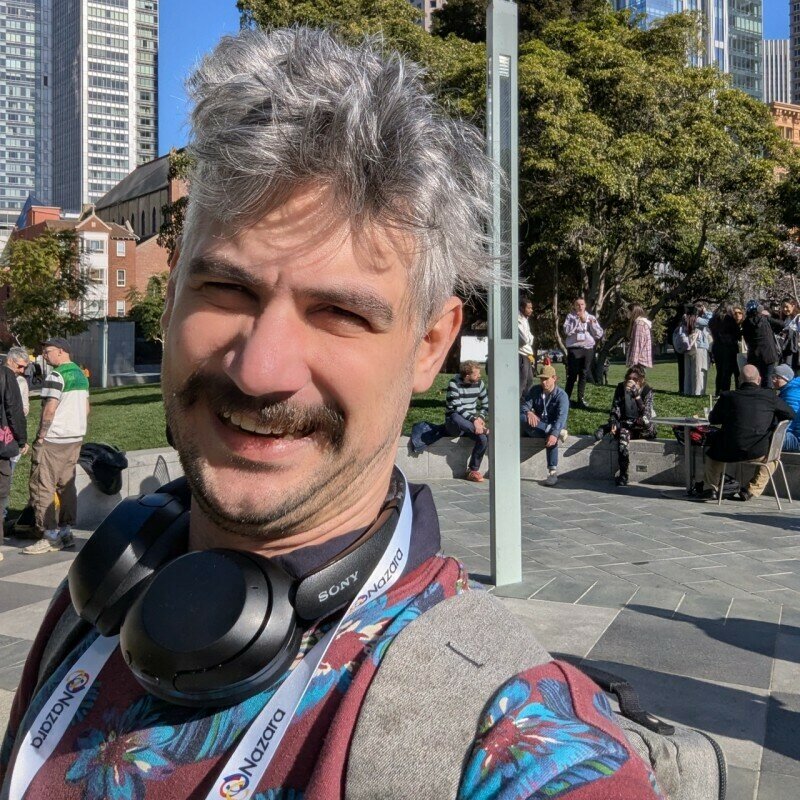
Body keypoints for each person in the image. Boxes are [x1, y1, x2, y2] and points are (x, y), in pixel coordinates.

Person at [0, 30, 664, 799]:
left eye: (339, 313)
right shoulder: (99, 603)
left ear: (431, 344)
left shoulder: (514, 746)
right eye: (228, 290)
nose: (260, 370)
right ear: (173, 292)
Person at [21, 337, 89, 555]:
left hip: (54, 439)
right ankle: (66, 532)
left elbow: (50, 409)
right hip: (75, 437)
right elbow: (87, 408)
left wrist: (41, 436)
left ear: (61, 351)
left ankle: (49, 536)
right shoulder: (80, 375)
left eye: (48, 351)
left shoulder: (56, 375)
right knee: (66, 486)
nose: (45, 355)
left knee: (42, 486)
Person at [696, 364, 794, 501]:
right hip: (758, 451)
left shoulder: (728, 396)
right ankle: (751, 490)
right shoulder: (769, 396)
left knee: (713, 457)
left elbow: (713, 419)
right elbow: (790, 414)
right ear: (759, 379)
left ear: (739, 380)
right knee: (773, 459)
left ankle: (710, 489)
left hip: (728, 450)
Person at [595, 366, 656, 486]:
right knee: (623, 437)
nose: (631, 381)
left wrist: (637, 396)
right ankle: (623, 474)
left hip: (643, 427)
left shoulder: (647, 390)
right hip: (626, 424)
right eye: (629, 378)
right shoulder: (621, 388)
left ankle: (605, 428)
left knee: (637, 423)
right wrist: (613, 421)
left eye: (635, 379)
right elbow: (615, 408)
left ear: (641, 380)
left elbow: (646, 415)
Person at [520, 364, 569, 486]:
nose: (543, 382)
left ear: (554, 378)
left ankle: (552, 472)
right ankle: (553, 431)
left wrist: (554, 433)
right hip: (539, 425)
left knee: (552, 436)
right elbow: (524, 406)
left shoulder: (561, 395)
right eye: (541, 379)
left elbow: (561, 418)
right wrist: (529, 412)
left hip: (555, 425)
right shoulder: (535, 390)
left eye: (546, 379)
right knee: (522, 417)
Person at [0, 349, 28, 551]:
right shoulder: (9, 377)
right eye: (20, 366)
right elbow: (14, 410)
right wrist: (21, 439)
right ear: (10, 361)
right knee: (1, 493)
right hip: (3, 444)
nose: (22, 371)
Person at [444, 361, 489, 482]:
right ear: (467, 376)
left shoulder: (479, 383)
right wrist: (475, 421)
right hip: (454, 423)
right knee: (454, 416)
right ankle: (483, 430)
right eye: (476, 374)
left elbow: (486, 404)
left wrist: (480, 418)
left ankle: (472, 470)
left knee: (483, 439)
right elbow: (457, 408)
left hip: (471, 423)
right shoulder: (454, 383)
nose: (479, 376)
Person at [563, 297, 603, 409]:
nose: (580, 307)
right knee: (572, 374)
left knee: (584, 373)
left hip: (587, 348)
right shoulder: (570, 317)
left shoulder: (591, 317)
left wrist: (591, 323)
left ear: (585, 306)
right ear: (574, 306)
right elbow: (566, 331)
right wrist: (577, 320)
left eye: (582, 304)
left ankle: (580, 399)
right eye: (578, 304)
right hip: (574, 348)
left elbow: (599, 334)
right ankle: (566, 399)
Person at [741, 300, 779, 387]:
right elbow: (781, 324)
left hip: (754, 355)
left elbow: (747, 339)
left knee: (756, 379)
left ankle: (757, 393)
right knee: (768, 377)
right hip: (769, 354)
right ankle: (768, 394)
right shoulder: (765, 319)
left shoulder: (745, 323)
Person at [709, 304, 740, 394]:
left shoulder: (712, 320)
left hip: (717, 347)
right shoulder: (729, 320)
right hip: (729, 348)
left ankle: (718, 391)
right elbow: (737, 334)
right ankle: (725, 391)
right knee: (727, 372)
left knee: (719, 372)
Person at [773, 363, 800, 452]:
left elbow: (789, 421)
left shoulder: (790, 395)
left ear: (786, 378)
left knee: (762, 440)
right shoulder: (792, 388)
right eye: (773, 376)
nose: (773, 380)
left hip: (795, 438)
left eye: (777, 377)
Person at [769, 296, 800, 373]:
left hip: (795, 352)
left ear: (793, 306)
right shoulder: (786, 319)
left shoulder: (798, 318)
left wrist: (790, 332)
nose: (785, 309)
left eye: (786, 307)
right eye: (783, 307)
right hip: (785, 351)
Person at [517, 297, 535, 397]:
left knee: (530, 380)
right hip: (521, 354)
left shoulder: (525, 320)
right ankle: (518, 401)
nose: (531, 310)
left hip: (528, 354)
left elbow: (531, 337)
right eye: (529, 308)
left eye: (531, 308)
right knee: (522, 381)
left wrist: (528, 338)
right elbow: (524, 339)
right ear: (522, 308)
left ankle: (525, 401)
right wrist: (528, 339)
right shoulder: (518, 319)